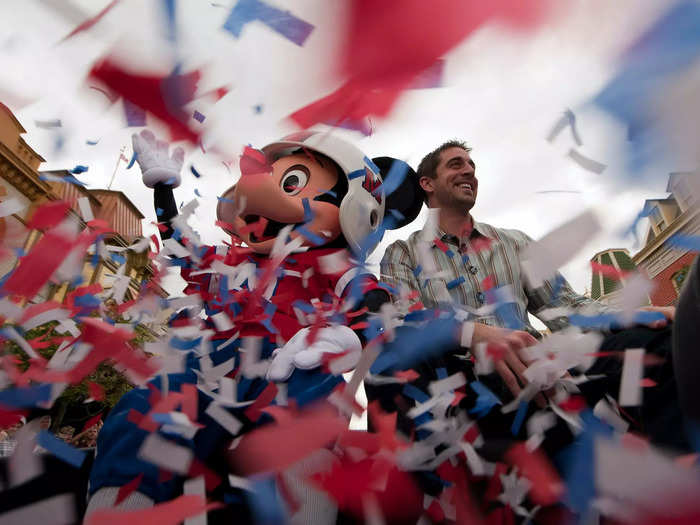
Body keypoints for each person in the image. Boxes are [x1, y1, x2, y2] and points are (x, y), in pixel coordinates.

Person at [380, 140, 675, 402]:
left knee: (655, 343)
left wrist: (626, 317)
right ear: (428, 184)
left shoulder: (515, 242)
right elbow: (402, 323)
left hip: (544, 366)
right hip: (464, 384)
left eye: (472, 165)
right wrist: (472, 333)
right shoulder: (401, 254)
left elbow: (565, 307)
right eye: (456, 165)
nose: (469, 171)